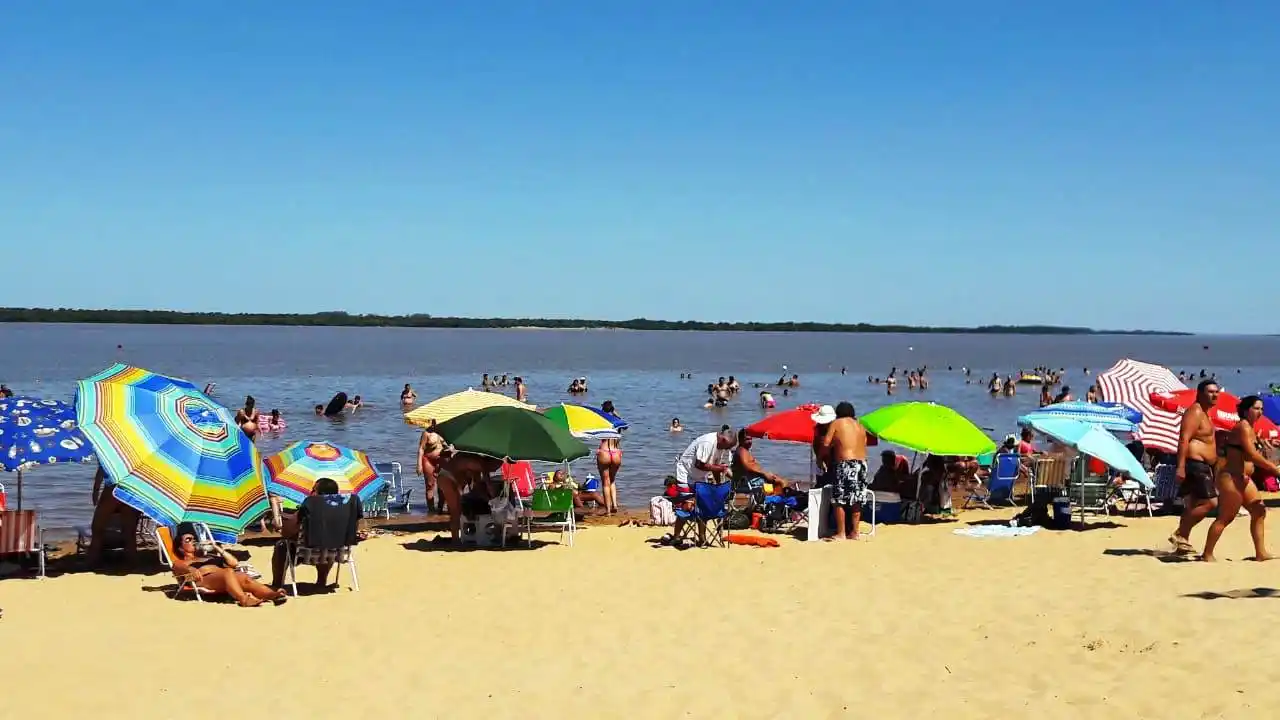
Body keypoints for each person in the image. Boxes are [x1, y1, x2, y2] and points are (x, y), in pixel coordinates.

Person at [1200, 396, 1279, 562]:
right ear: (1245, 410)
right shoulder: (1243, 427)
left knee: (1258, 511)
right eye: (1256, 408)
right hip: (1231, 478)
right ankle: (1207, 554)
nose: (1260, 412)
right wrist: (1273, 469)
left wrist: (1270, 444)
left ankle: (1260, 553)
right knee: (1226, 517)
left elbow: (1252, 449)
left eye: (1262, 409)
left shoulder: (1250, 428)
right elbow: (1251, 454)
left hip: (1243, 478)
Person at [269, 477, 355, 591]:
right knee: (329, 544)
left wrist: (279, 519)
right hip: (335, 555)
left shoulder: (309, 508)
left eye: (314, 489)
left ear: (320, 493)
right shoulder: (346, 511)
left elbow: (287, 532)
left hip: (305, 555)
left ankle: (277, 585)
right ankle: (321, 581)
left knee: (281, 546)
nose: (311, 492)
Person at [172, 523, 287, 607]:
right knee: (228, 572)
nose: (193, 541)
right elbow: (177, 567)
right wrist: (190, 569)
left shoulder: (208, 556)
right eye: (188, 539)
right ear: (180, 548)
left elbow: (234, 563)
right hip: (204, 580)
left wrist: (217, 548)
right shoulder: (183, 562)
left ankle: (272, 595)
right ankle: (244, 600)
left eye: (194, 538)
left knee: (244, 578)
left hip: (225, 577)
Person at [1171, 379, 1221, 554]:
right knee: (1210, 502)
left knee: (1193, 504)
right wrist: (1181, 466)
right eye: (1210, 391)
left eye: (1216, 392)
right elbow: (1184, 438)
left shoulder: (1205, 414)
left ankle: (1182, 542)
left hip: (1202, 465)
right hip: (1195, 464)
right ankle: (1180, 534)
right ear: (1199, 394)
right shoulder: (1195, 411)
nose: (1215, 395)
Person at [819, 402, 868, 540]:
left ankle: (841, 533)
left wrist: (821, 457)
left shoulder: (837, 423)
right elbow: (864, 444)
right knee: (857, 498)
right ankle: (855, 532)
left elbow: (826, 443)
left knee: (839, 499)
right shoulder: (860, 426)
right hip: (862, 464)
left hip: (845, 463)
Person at [437, 451, 502, 542]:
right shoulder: (480, 464)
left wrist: (488, 500)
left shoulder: (477, 465)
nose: (495, 470)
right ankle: (455, 541)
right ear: (491, 462)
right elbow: (489, 487)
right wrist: (493, 498)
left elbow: (476, 487)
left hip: (451, 477)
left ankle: (458, 537)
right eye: (496, 466)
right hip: (447, 476)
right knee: (455, 511)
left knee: (459, 509)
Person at [87, 466, 141, 567]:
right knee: (129, 532)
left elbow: (102, 468)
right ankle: (132, 562)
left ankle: (92, 561)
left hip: (112, 489)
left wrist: (96, 490)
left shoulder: (113, 450)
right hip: (131, 489)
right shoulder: (141, 452)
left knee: (97, 529)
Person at [417, 419, 446, 514]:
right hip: (429, 460)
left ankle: (440, 508)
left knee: (443, 486)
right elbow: (421, 448)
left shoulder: (445, 432)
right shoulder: (426, 433)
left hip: (441, 461)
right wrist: (419, 464)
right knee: (430, 485)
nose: (435, 424)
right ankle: (431, 509)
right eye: (433, 422)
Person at [596, 435, 622, 515]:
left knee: (605, 482)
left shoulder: (604, 424)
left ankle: (608, 510)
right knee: (612, 480)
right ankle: (614, 505)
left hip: (604, 452)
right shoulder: (617, 427)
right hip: (616, 452)